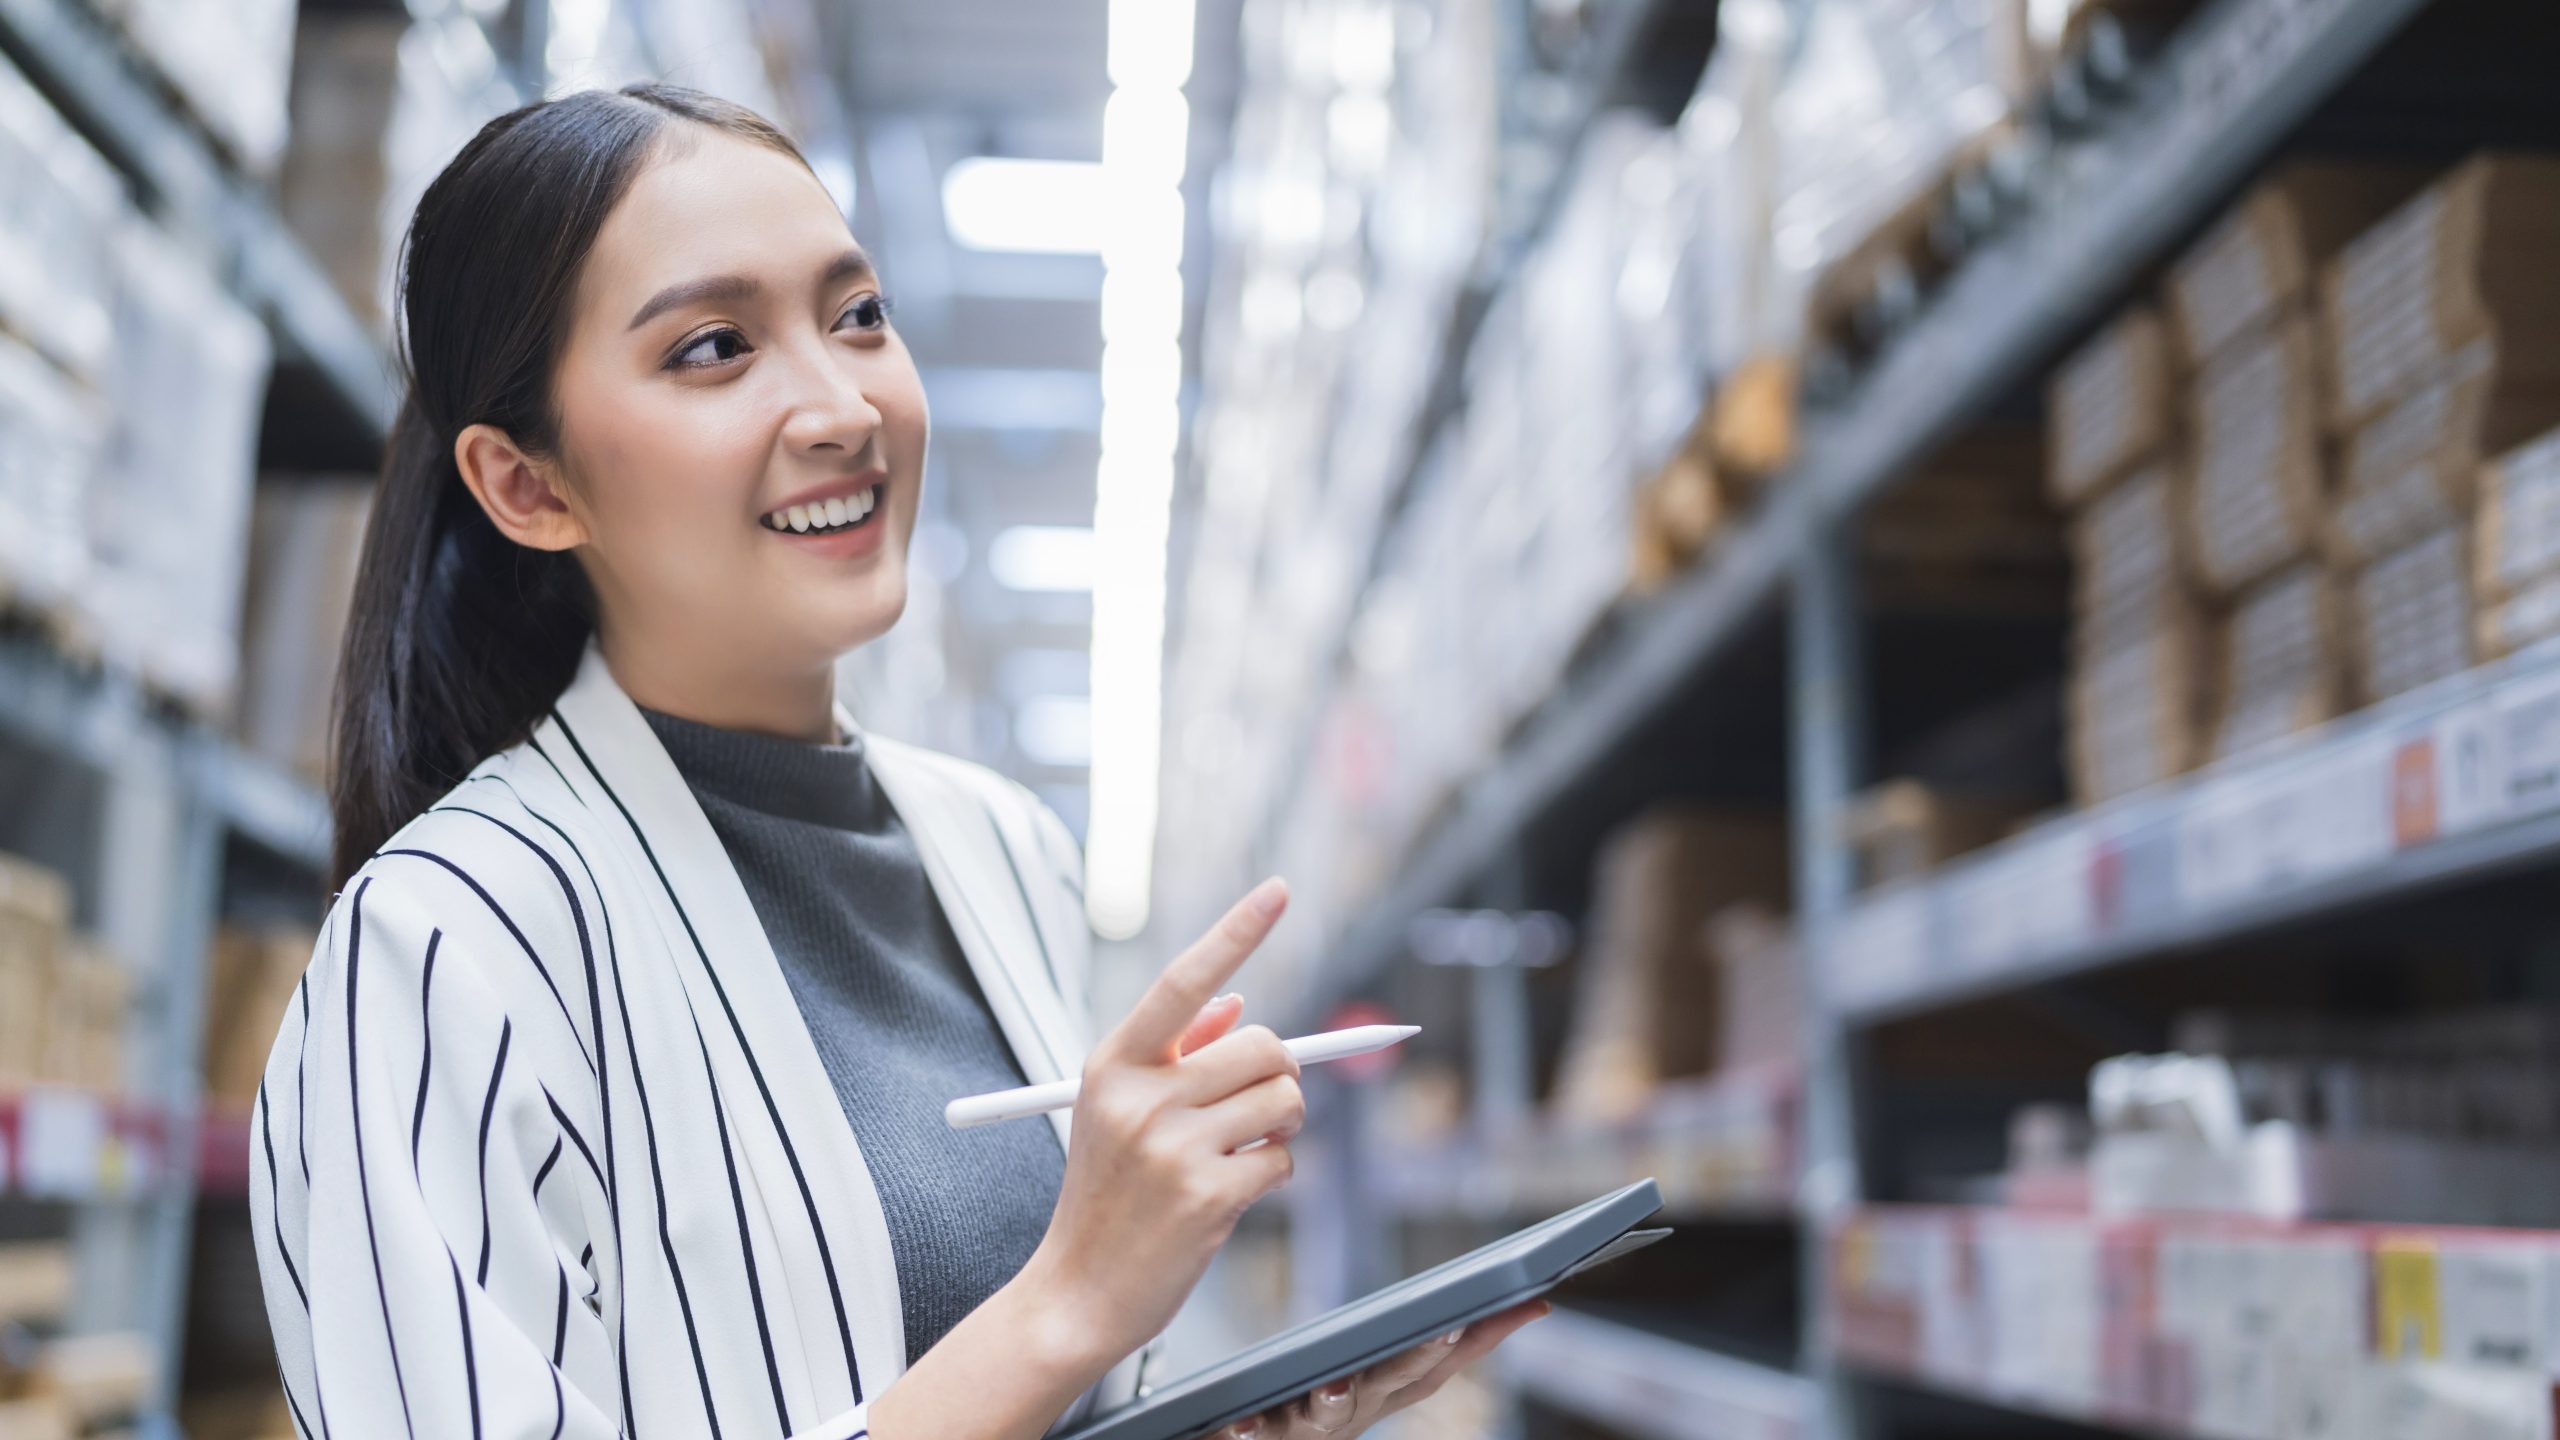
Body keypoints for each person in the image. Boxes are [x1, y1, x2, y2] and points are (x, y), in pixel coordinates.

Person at [246, 81, 1545, 1440]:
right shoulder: (449, 946)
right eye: (713, 348)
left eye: (856, 315)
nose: (840, 405)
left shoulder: (1001, 853)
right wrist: (1072, 1301)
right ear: (530, 485)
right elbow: (1042, 1328)